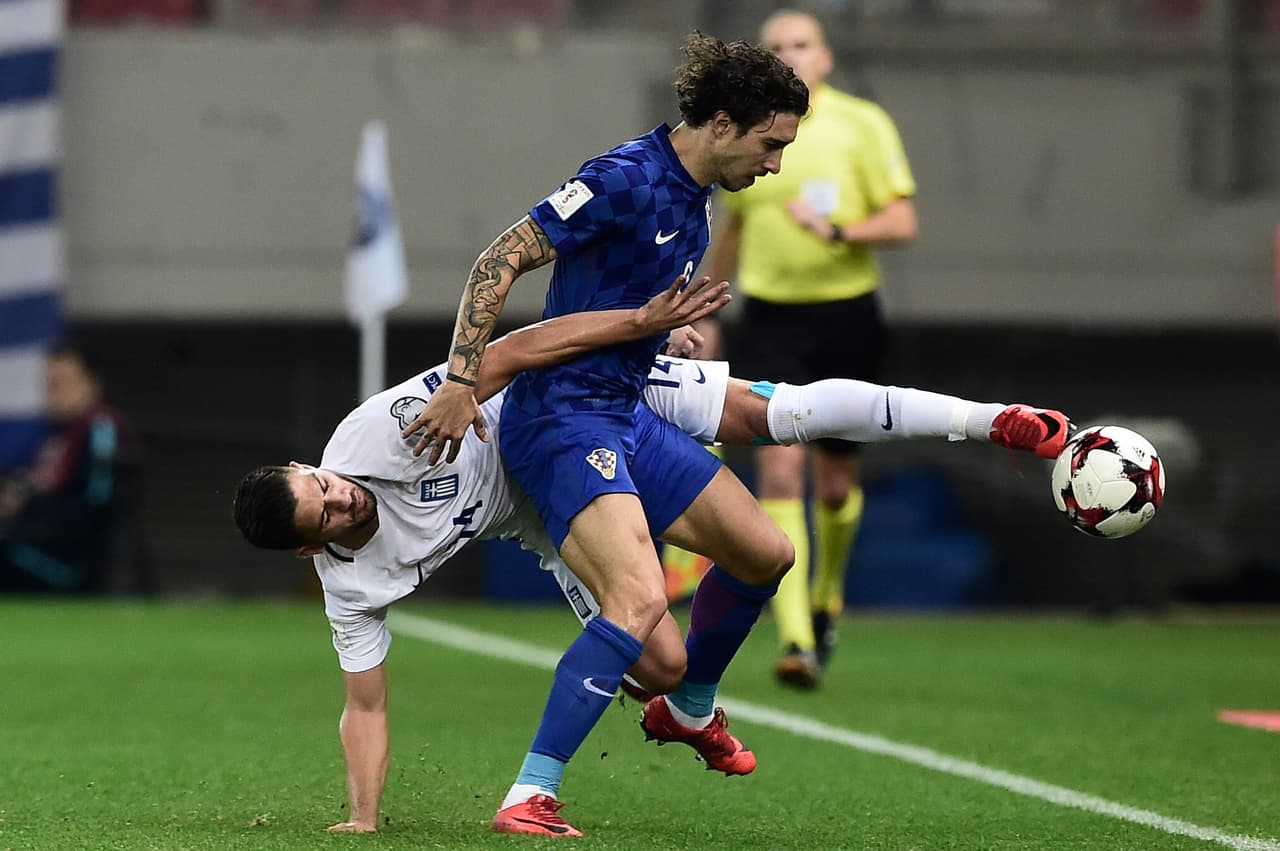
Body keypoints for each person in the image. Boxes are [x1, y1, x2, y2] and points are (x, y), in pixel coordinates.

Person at [233, 291, 1069, 837]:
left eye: (325, 480)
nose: (342, 494)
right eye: (328, 512)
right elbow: (365, 702)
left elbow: (509, 351)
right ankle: (683, 706)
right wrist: (363, 817)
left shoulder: (382, 430)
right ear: (315, 548)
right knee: (659, 663)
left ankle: (993, 419)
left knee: (783, 411)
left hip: (568, 402)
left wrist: (634, 334)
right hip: (544, 502)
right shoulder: (352, 584)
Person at [409, 31, 813, 837]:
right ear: (724, 122)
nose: (776, 164)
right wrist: (462, 379)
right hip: (561, 419)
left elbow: (611, 302)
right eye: (771, 145)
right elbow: (498, 259)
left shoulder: (698, 197)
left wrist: (662, 337)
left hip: (624, 412)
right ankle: (529, 792)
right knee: (636, 600)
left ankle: (689, 709)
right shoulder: (622, 178)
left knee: (767, 553)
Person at [704, 10, 919, 688]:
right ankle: (795, 636)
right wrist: (703, 305)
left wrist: (838, 228)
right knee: (780, 474)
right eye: (776, 47)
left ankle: (827, 593)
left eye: (800, 44)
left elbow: (902, 218)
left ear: (824, 57)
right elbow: (732, 229)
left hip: (847, 316)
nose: (790, 55)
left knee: (834, 482)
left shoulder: (863, 124)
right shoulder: (748, 130)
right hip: (770, 320)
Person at [0, 343, 136, 593]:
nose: (53, 394)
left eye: (62, 384)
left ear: (92, 385)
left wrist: (26, 508)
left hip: (72, 567)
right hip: (35, 545)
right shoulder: (53, 435)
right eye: (48, 385)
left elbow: (95, 508)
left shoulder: (100, 429)